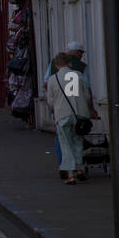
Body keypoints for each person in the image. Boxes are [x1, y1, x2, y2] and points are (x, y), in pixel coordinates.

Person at [47, 51, 92, 184]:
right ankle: (80, 168)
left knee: (66, 144)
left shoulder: (53, 79)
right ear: (70, 63)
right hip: (80, 115)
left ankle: (70, 174)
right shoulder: (78, 75)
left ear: (56, 65)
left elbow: (50, 101)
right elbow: (87, 96)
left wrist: (54, 109)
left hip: (63, 114)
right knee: (78, 142)